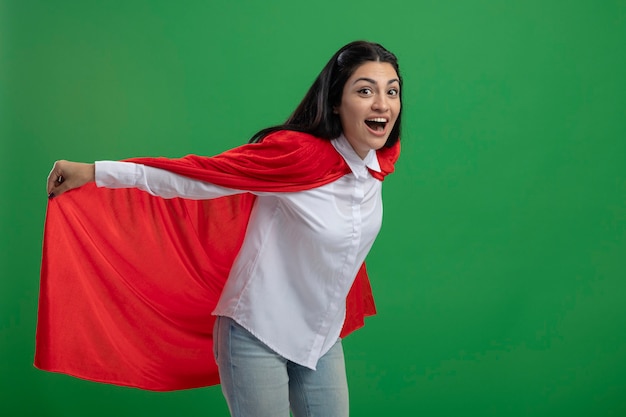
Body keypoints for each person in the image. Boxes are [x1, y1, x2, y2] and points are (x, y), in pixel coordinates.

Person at [40, 40, 402, 417]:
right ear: (334, 102)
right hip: (257, 333)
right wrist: (96, 172)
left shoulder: (375, 164)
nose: (382, 104)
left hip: (320, 338)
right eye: (365, 90)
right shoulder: (298, 157)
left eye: (391, 91)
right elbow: (198, 178)